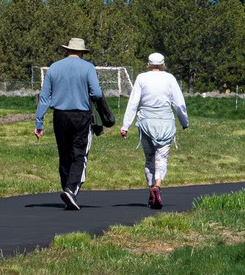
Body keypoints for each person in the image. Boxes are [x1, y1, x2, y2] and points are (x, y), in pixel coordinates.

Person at [34, 37, 113, 210]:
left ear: (67, 50)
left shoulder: (54, 67)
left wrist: (39, 122)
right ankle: (70, 190)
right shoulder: (88, 67)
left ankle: (66, 189)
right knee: (79, 154)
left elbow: (44, 97)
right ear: (82, 52)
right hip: (81, 116)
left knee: (64, 154)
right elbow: (97, 93)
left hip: (60, 116)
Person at [120, 52, 189, 209]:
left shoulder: (141, 78)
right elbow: (179, 103)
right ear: (163, 64)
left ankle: (151, 189)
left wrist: (125, 126)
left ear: (148, 64)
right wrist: (184, 121)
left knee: (149, 158)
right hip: (165, 122)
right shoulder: (170, 78)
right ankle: (158, 185)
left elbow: (133, 103)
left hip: (146, 122)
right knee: (162, 158)